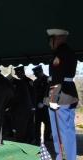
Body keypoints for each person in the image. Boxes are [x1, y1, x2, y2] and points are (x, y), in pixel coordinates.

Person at [45, 29, 79, 160]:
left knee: (59, 132)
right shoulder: (70, 51)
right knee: (69, 131)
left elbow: (57, 77)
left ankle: (62, 157)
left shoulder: (60, 53)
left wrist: (53, 98)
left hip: (60, 97)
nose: (49, 43)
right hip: (69, 94)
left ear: (56, 39)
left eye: (50, 40)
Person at [6, 74, 32, 143]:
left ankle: (21, 141)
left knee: (20, 126)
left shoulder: (18, 84)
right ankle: (28, 140)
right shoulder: (20, 83)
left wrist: (9, 106)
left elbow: (16, 97)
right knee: (25, 126)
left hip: (22, 109)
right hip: (25, 108)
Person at [14, 66, 37, 144]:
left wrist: (33, 106)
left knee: (29, 124)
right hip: (21, 107)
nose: (17, 75)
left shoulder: (28, 81)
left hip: (29, 106)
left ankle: (31, 139)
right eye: (16, 74)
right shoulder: (18, 82)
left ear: (22, 72)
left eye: (18, 73)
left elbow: (33, 94)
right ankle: (25, 139)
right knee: (23, 125)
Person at [32, 65, 51, 145]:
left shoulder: (47, 80)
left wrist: (44, 103)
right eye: (35, 75)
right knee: (37, 124)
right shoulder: (36, 81)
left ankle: (46, 139)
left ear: (41, 72)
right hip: (37, 106)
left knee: (47, 124)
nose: (37, 76)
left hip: (46, 106)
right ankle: (37, 139)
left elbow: (49, 93)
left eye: (38, 74)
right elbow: (34, 93)